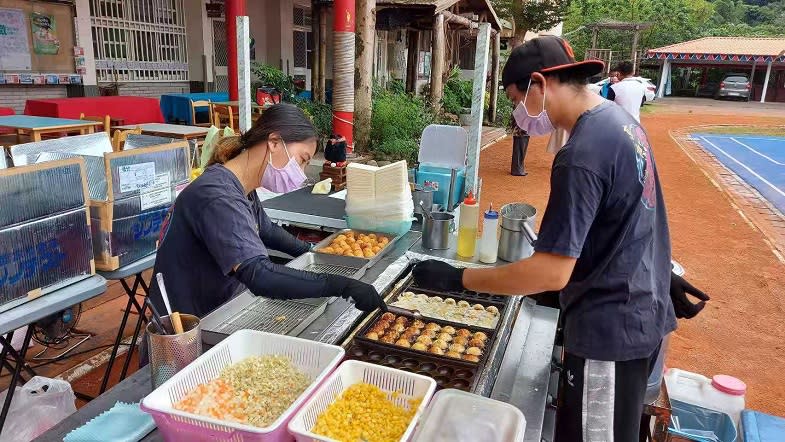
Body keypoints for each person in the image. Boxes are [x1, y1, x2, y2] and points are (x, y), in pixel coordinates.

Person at [411, 36, 708, 440]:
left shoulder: (581, 154)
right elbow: (634, 216)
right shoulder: (622, 124)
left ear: (538, 83)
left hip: (609, 332)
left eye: (518, 99)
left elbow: (550, 273)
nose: (520, 114)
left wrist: (457, 280)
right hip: (638, 307)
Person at [148, 103, 386, 319]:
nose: (302, 173)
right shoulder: (217, 195)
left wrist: (315, 253)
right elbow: (258, 274)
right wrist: (338, 285)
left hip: (219, 308)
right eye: (302, 160)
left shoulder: (241, 186)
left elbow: (266, 229)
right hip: (186, 331)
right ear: (273, 142)